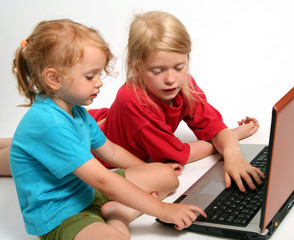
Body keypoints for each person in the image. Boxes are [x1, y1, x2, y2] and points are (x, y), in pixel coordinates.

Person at [9, 19, 206, 240]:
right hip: (62, 214)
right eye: (90, 76)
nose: (99, 83)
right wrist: (163, 210)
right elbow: (103, 179)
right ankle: (119, 215)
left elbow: (110, 151)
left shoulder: (76, 111)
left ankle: (116, 208)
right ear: (54, 79)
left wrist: (146, 172)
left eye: (99, 75)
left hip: (89, 191)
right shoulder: (50, 124)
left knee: (166, 175)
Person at [89, 11, 265, 193]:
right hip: (91, 145)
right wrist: (232, 135)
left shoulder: (184, 84)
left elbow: (211, 125)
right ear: (136, 67)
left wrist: (231, 151)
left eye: (179, 67)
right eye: (158, 71)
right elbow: (178, 154)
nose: (171, 79)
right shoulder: (132, 100)